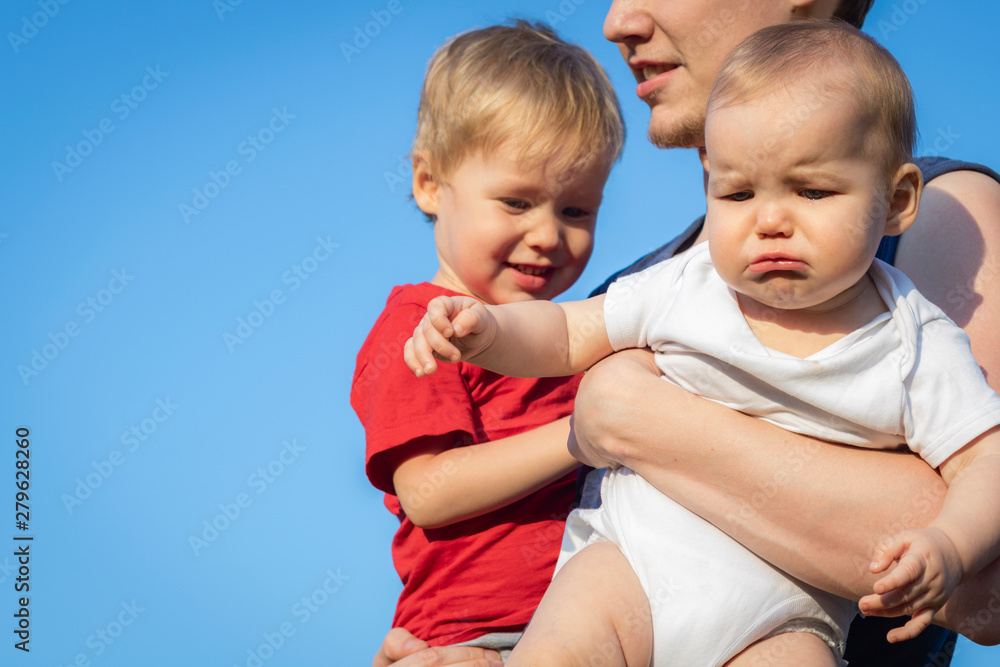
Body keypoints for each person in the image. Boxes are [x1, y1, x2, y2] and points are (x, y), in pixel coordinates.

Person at [376, 1, 1000, 666]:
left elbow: (991, 585)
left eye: (813, 191)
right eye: (735, 194)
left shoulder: (929, 247)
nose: (618, 20)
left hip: (786, 618)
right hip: (627, 579)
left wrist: (636, 415)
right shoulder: (672, 282)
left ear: (894, 200)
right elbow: (562, 333)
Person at [350, 20, 625, 661]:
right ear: (429, 184)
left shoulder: (570, 334)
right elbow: (430, 492)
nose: (548, 235)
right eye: (516, 202)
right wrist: (583, 434)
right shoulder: (425, 327)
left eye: (576, 210)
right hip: (479, 632)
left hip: (591, 624)